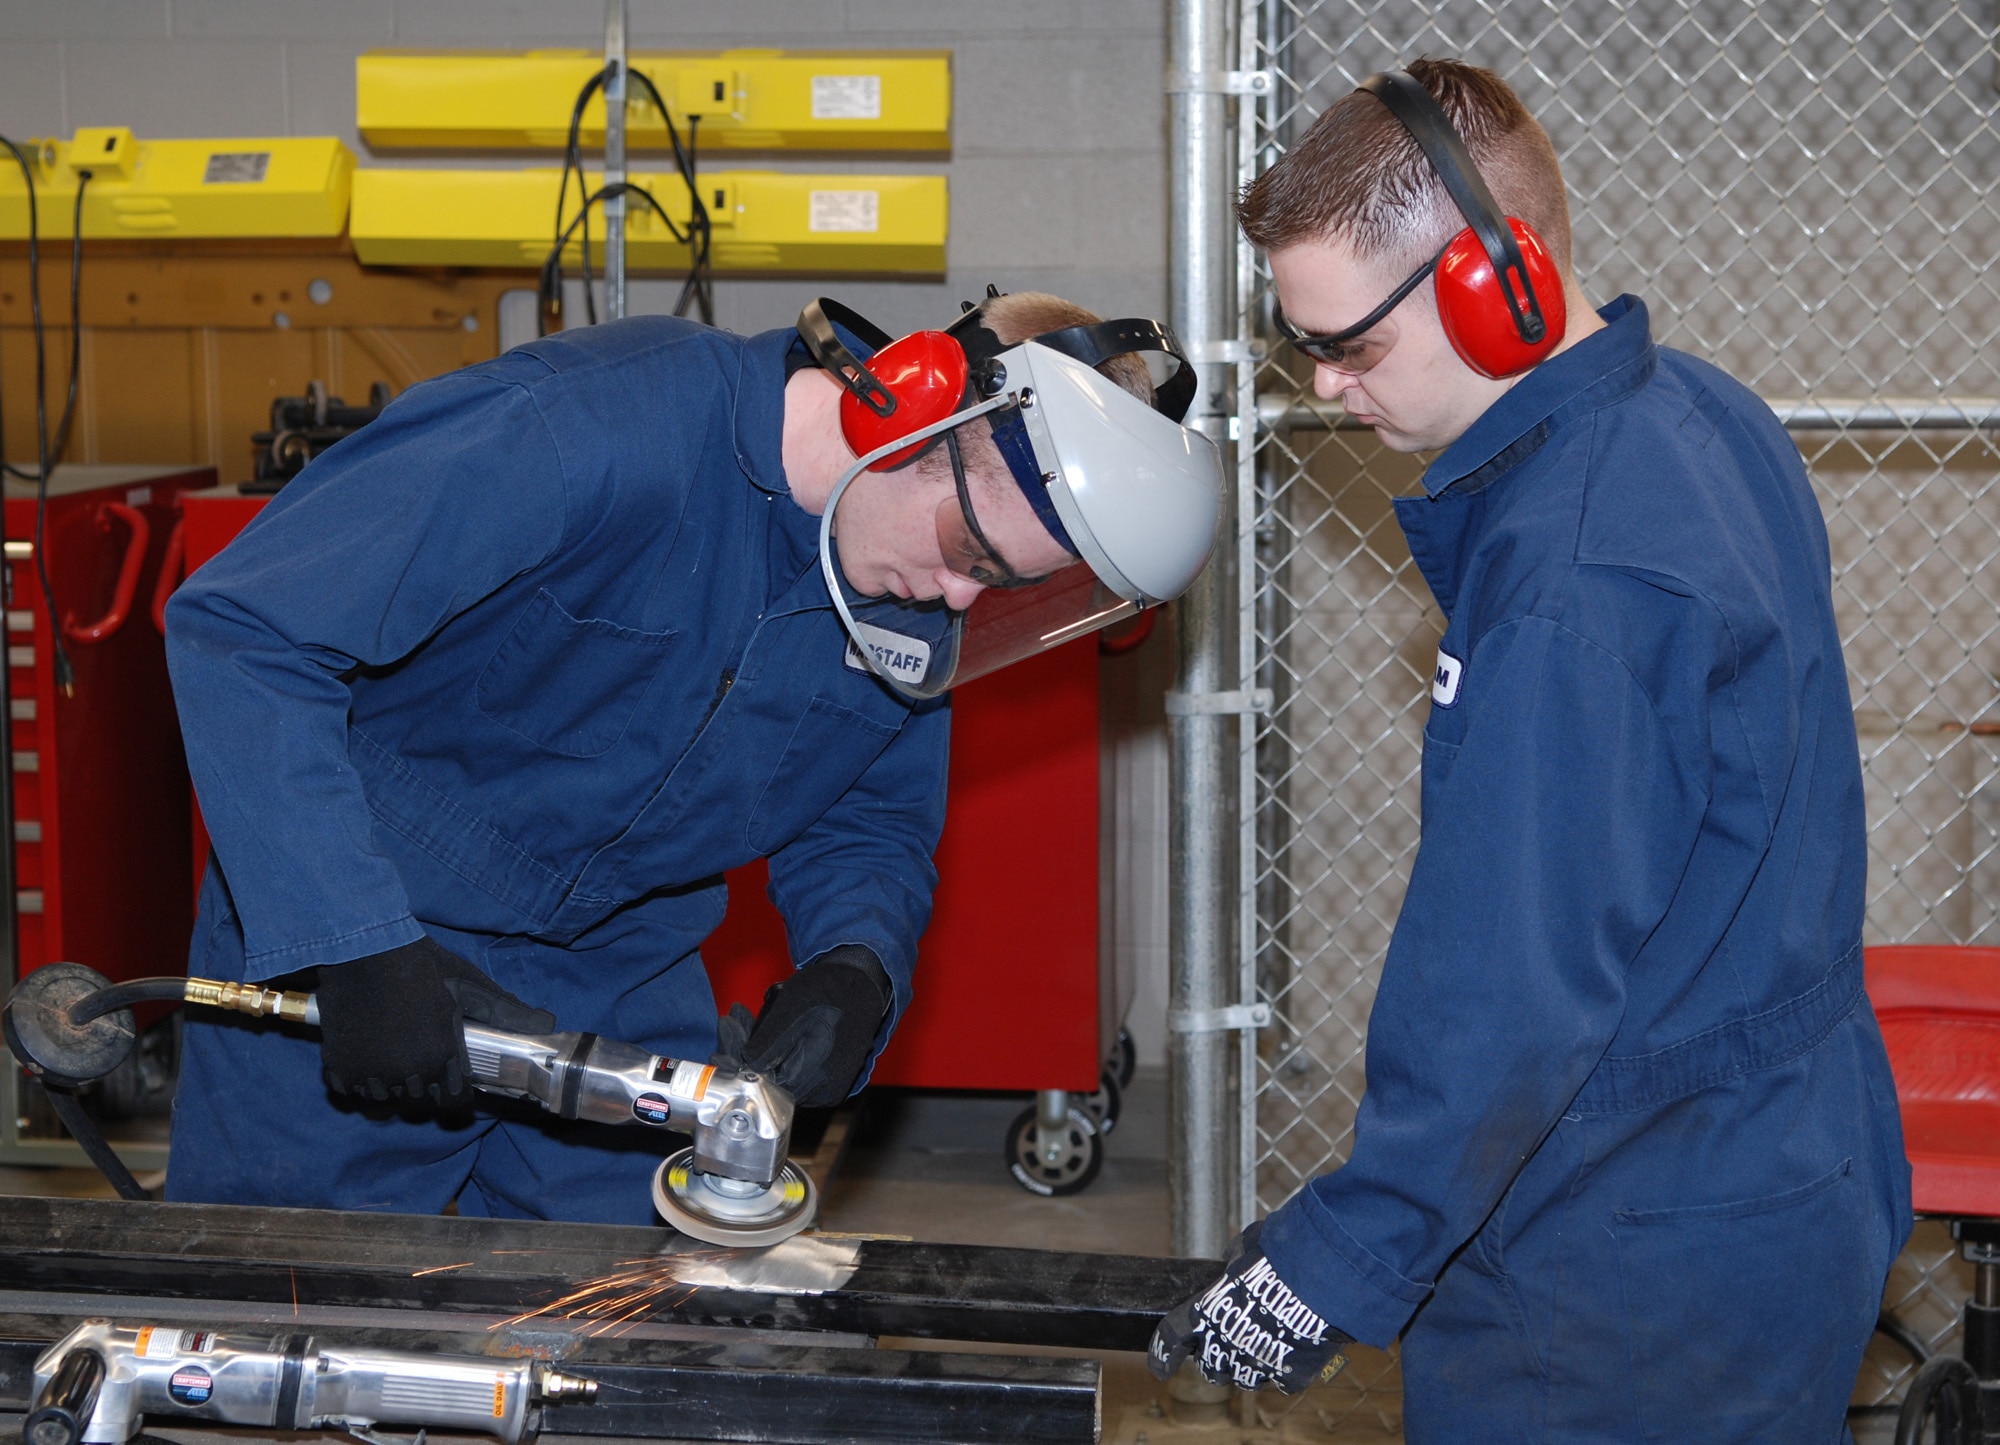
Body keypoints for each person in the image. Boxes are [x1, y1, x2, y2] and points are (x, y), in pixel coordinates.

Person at [1150, 59, 1909, 1441]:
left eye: (1352, 346)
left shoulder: (1574, 579)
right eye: (1302, 346)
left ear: (1492, 284)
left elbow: (1510, 988)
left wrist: (1336, 1262)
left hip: (1624, 1256)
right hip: (1785, 1172)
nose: (1324, 385)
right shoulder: (1703, 416)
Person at [162, 288, 1219, 1222]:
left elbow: (869, 816)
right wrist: (350, 943)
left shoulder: (908, 590)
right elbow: (247, 632)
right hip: (373, 941)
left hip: (620, 976)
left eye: (1001, 587)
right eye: (965, 550)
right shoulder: (598, 430)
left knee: (617, 1342)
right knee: (295, 1325)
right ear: (906, 405)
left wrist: (855, 958)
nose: (956, 600)